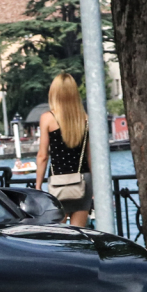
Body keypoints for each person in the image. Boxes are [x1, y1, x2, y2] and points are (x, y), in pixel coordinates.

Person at [35, 72, 91, 226]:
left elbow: (43, 156)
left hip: (58, 180)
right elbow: (90, 155)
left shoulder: (48, 118)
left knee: (60, 234)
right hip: (83, 180)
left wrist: (38, 184)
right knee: (80, 233)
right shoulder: (85, 118)